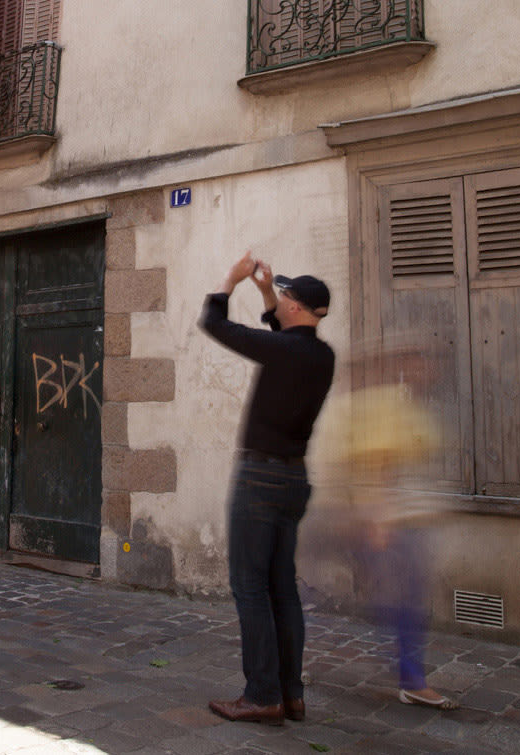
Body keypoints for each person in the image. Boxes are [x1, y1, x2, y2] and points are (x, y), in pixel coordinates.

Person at [198, 251, 335, 725]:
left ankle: (261, 694)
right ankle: (291, 695)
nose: (279, 299)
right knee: (282, 589)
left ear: (295, 308)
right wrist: (265, 292)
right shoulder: (320, 354)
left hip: (259, 479)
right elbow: (287, 340)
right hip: (294, 479)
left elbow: (215, 325)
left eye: (284, 296)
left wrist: (229, 282)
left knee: (249, 586)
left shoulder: (287, 351)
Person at [343, 338, 458, 710]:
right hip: (395, 520)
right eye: (419, 364)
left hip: (411, 518)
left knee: (402, 601)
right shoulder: (392, 403)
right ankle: (410, 678)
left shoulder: (415, 405)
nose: (427, 371)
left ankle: (408, 675)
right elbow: (382, 464)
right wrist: (378, 519)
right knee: (403, 602)